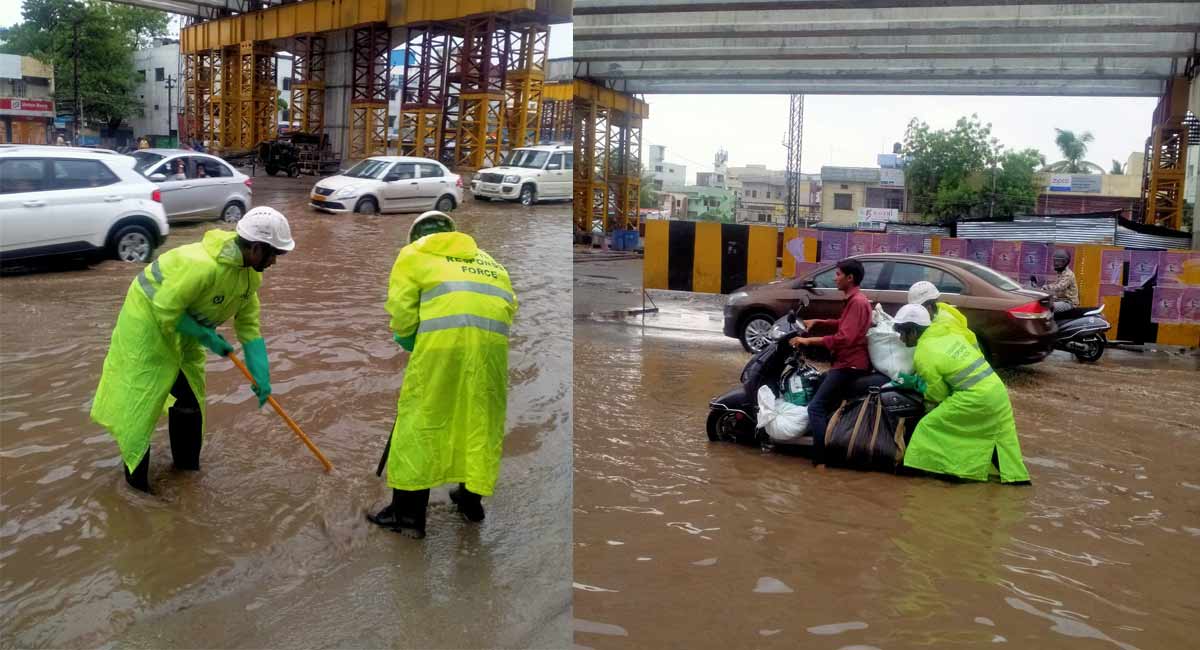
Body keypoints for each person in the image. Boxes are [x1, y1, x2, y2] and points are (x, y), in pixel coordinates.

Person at [90, 207, 294, 492]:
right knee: (141, 404)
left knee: (190, 400)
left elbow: (249, 326)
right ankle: (137, 491)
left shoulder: (250, 276)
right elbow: (164, 309)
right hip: (147, 326)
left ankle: (186, 472)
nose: (275, 262)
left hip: (186, 330)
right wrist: (208, 337)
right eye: (274, 254)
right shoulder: (199, 265)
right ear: (257, 248)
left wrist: (261, 374)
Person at [368, 211, 518, 539]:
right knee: (480, 422)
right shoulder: (493, 264)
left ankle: (407, 515)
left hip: (441, 350)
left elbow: (403, 315)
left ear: (417, 238)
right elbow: (508, 308)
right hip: (492, 354)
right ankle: (470, 500)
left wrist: (413, 343)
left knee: (421, 421)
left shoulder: (414, 254)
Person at [892, 304, 1030, 484]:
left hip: (975, 397)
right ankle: (1017, 481)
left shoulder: (923, 352)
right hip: (997, 391)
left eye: (903, 333)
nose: (901, 339)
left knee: (928, 426)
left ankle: (917, 470)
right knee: (1000, 437)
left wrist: (917, 386)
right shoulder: (945, 332)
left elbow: (937, 395)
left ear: (913, 331)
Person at [787, 258, 872, 466]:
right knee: (818, 385)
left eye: (838, 274)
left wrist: (808, 340)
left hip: (849, 365)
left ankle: (820, 461)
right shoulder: (855, 300)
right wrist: (818, 322)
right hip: (848, 363)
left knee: (815, 408)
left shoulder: (857, 302)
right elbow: (844, 325)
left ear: (849, 278)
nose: (835, 278)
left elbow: (845, 338)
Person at [906, 280, 978, 349]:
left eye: (918, 309)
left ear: (928, 308)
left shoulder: (944, 325)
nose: (916, 313)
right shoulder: (941, 310)